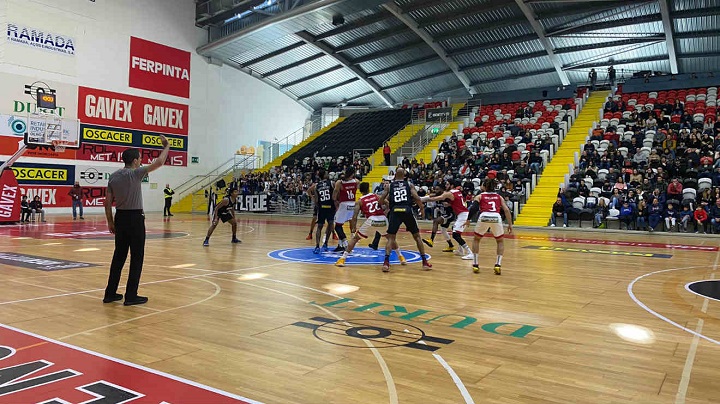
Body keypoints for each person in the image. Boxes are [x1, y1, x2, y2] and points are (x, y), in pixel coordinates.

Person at [103, 136, 170, 306]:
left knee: (119, 256)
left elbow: (107, 201)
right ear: (134, 161)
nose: (141, 162)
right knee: (137, 257)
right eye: (140, 159)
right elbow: (160, 162)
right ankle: (131, 295)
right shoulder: (136, 173)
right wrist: (167, 146)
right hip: (135, 218)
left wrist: (110, 222)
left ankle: (110, 293)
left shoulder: (113, 177)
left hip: (120, 217)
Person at [335, 182, 405, 267]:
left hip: (372, 219)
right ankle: (401, 257)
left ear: (360, 191)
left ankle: (342, 259)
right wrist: (386, 212)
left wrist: (353, 227)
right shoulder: (376, 196)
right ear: (368, 189)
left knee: (355, 238)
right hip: (382, 219)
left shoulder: (359, 201)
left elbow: (355, 216)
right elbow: (387, 203)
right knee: (391, 239)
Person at [378, 168, 431, 272]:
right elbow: (416, 197)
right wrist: (421, 208)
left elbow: (380, 200)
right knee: (417, 236)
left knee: (391, 238)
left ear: (395, 175)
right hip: (407, 211)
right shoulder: (409, 184)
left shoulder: (389, 186)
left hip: (395, 212)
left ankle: (386, 263)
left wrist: (387, 204)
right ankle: (424, 262)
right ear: (404, 175)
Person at [468, 178, 513, 275]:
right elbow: (506, 210)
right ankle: (498, 264)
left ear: (484, 187)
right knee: (500, 241)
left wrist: (468, 219)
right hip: (496, 217)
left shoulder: (480, 196)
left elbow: (474, 208)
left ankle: (475, 265)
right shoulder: (499, 196)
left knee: (476, 239)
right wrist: (509, 224)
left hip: (484, 216)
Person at [427, 179, 472, 259]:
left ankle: (469, 252)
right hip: (462, 214)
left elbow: (438, 198)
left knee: (455, 235)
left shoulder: (450, 193)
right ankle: (460, 250)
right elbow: (455, 202)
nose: (446, 186)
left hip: (463, 215)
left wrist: (424, 199)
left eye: (447, 184)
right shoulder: (457, 192)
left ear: (451, 185)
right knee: (454, 229)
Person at [422, 185, 456, 253]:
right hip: (444, 215)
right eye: (435, 189)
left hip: (450, 215)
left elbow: (455, 202)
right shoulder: (436, 196)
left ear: (442, 190)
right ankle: (451, 246)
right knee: (443, 231)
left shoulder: (447, 196)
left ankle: (431, 240)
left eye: (437, 189)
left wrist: (450, 205)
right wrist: (418, 198)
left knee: (436, 221)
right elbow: (427, 197)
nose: (436, 191)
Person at [308, 169, 335, 254]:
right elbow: (335, 195)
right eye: (327, 173)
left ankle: (317, 246)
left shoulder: (317, 186)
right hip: (330, 207)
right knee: (330, 225)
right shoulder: (331, 183)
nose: (328, 175)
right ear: (324, 175)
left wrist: (317, 207)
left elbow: (316, 200)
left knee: (320, 226)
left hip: (322, 207)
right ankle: (325, 243)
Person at [332, 168, 359, 252]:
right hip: (352, 204)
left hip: (344, 204)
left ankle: (346, 244)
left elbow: (334, 196)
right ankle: (340, 245)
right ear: (352, 174)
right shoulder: (356, 181)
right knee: (341, 225)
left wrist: (336, 201)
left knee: (337, 226)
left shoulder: (340, 182)